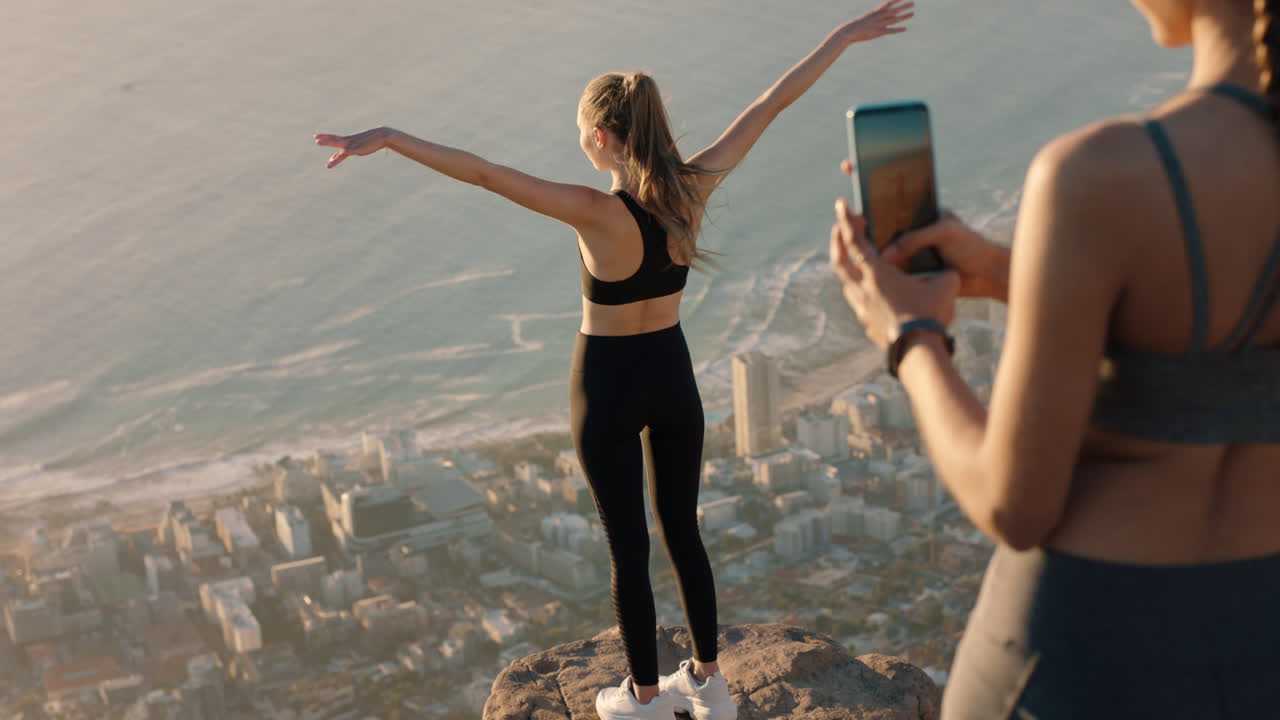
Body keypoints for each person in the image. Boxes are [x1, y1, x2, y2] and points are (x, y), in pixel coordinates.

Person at [315, 3, 913, 718]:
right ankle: (710, 682)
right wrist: (842, 36)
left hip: (605, 380)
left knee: (627, 545)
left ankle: (646, 697)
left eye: (581, 133)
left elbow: (482, 174)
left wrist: (387, 137)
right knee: (682, 528)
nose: (580, 144)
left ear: (602, 136)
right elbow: (772, 102)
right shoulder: (693, 188)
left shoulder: (593, 212)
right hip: (671, 371)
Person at [828, 0, 1280, 717]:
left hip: (1081, 663)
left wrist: (908, 335)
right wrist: (1023, 274)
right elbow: (1216, 348)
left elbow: (1013, 504)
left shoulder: (1104, 174)